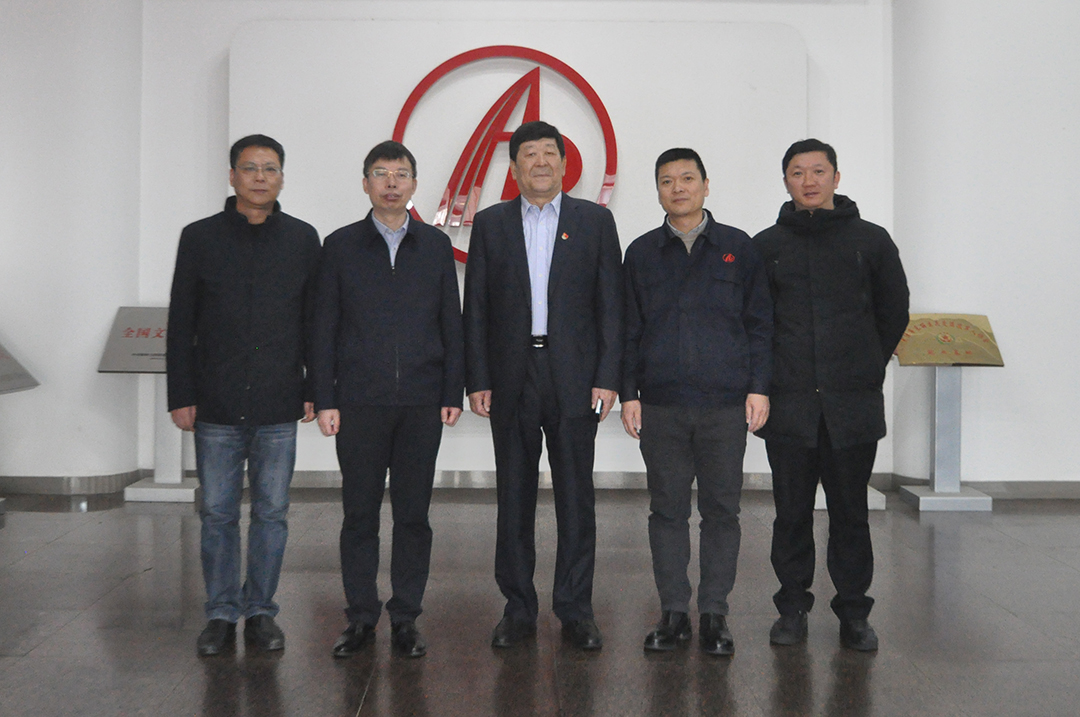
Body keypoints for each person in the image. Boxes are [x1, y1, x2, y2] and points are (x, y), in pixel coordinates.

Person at [462, 121, 623, 651]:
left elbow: (611, 305)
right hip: (512, 374)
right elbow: (476, 307)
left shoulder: (594, 222)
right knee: (514, 495)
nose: (540, 162)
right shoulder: (491, 224)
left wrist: (607, 376)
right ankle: (518, 609)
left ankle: (576, 610)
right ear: (513, 168)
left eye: (549, 153)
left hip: (574, 375)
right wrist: (478, 378)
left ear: (564, 163)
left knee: (577, 496)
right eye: (529, 154)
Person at [166, 134, 321, 656]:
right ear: (232, 175)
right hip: (215, 401)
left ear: (282, 178)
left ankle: (260, 612)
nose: (260, 177)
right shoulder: (200, 237)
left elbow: (314, 323)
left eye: (270, 168)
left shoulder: (302, 239)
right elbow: (181, 322)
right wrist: (181, 393)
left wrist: (313, 388)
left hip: (279, 400)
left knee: (272, 513)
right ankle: (220, 612)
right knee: (218, 513)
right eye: (250, 168)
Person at [753, 139, 909, 651]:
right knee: (791, 514)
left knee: (851, 514)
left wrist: (865, 364)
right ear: (786, 181)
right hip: (789, 403)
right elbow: (756, 321)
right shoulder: (766, 246)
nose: (809, 181)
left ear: (836, 178)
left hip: (851, 403)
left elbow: (894, 311)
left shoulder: (871, 240)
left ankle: (854, 613)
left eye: (818, 171)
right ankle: (792, 608)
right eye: (798, 172)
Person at [310, 141, 464, 659]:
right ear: (365, 183)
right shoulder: (340, 245)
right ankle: (360, 617)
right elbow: (324, 326)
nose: (391, 183)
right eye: (381, 173)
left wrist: (452, 390)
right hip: (359, 401)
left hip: (422, 401)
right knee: (359, 515)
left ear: (414, 184)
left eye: (401, 174)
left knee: (414, 516)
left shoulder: (435, 245)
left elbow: (451, 322)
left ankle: (405, 617)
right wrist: (325, 397)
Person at [621, 148, 773, 656]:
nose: (678, 188)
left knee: (721, 511)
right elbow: (628, 330)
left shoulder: (738, 248)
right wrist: (629, 394)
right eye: (667, 181)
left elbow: (760, 324)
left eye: (688, 178)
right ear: (658, 191)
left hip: (724, 405)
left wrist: (758, 387)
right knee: (666, 511)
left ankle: (714, 614)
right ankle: (672, 613)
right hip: (661, 404)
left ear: (707, 186)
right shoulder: (641, 253)